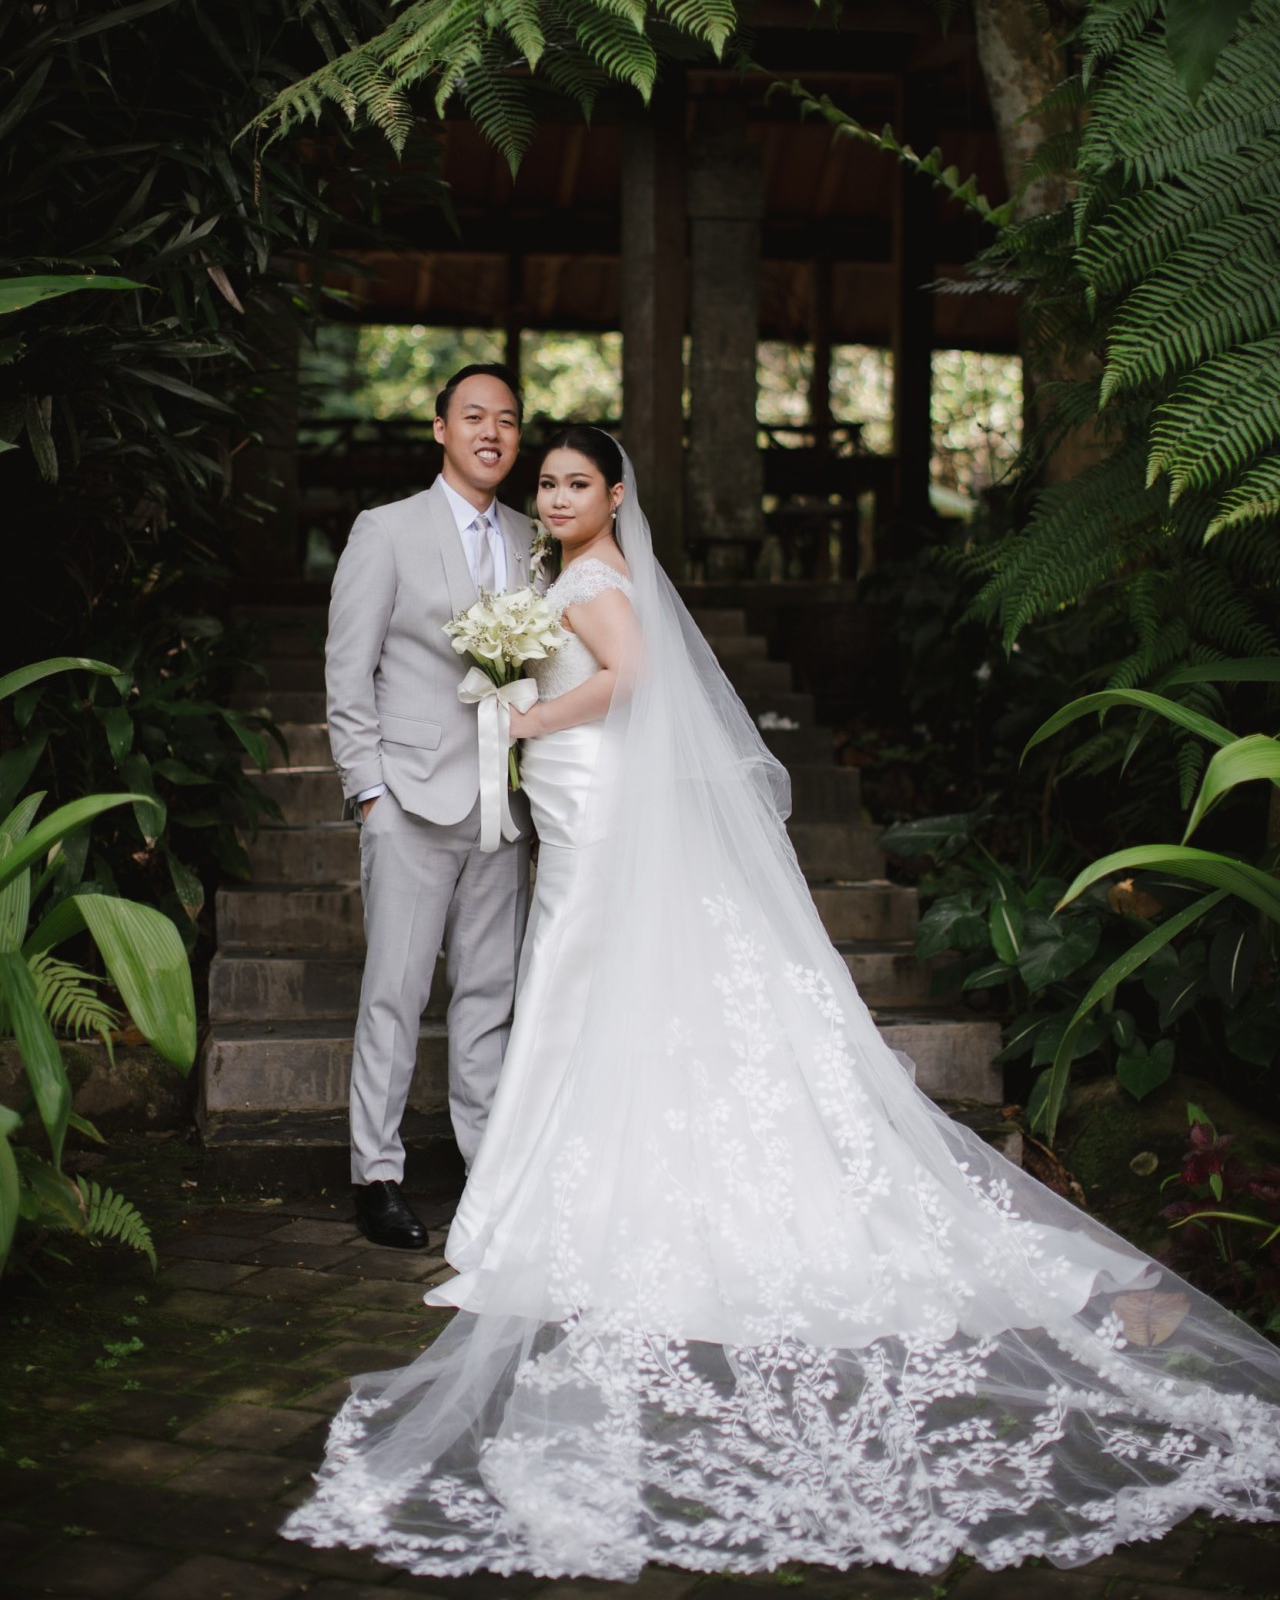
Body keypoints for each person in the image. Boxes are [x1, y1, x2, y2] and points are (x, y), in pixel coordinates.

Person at [289, 425, 1280, 1577]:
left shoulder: (597, 581)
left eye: (575, 482)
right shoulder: (568, 572)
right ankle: (553, 1185)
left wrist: (522, 717)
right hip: (572, 807)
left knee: (577, 983)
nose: (554, 496)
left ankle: (563, 1202)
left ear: (613, 492)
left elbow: (627, 680)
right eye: (546, 482)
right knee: (576, 988)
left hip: (595, 811)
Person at [324, 365, 532, 1250]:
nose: (491, 432)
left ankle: (486, 1165)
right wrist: (368, 791)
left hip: (504, 806)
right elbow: (347, 668)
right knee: (395, 994)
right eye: (474, 416)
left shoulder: (533, 537)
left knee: (488, 996)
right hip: (408, 798)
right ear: (440, 428)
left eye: (507, 420)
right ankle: (376, 1174)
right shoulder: (387, 530)